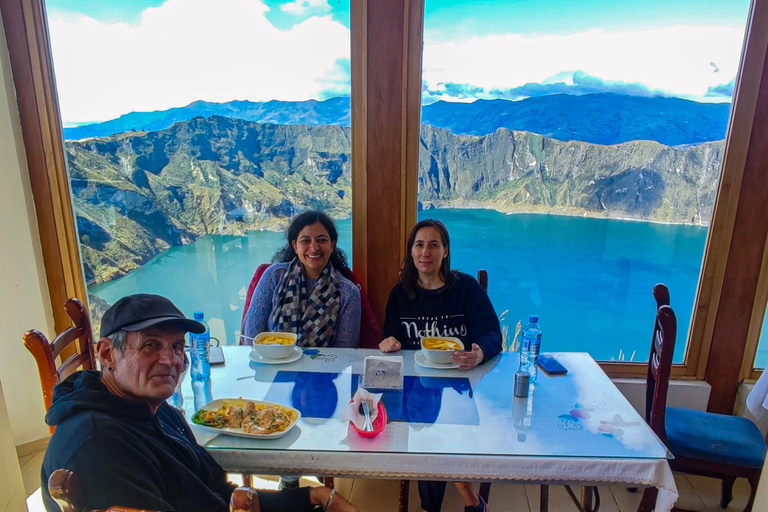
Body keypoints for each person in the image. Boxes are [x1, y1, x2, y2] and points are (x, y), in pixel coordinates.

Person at [41, 293, 356, 512]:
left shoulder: (154, 410)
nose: (170, 360)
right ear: (108, 354)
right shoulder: (98, 449)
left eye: (177, 346)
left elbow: (218, 495)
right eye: (150, 345)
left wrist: (314, 495)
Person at [379, 219, 502, 512]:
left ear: (445, 251)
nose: (426, 252)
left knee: (440, 432)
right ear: (411, 252)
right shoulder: (400, 294)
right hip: (415, 387)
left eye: (434, 244)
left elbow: (492, 332)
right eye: (419, 245)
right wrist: (388, 343)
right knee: (427, 428)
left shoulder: (466, 289)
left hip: (460, 384)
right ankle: (464, 501)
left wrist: (480, 352)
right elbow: (389, 337)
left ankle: (446, 503)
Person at [244, 210, 361, 348]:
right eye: (305, 241)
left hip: (323, 367)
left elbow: (344, 350)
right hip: (272, 363)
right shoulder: (274, 276)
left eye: (322, 240)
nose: (314, 247)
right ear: (295, 246)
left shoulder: (348, 292)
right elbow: (251, 336)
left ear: (332, 244)